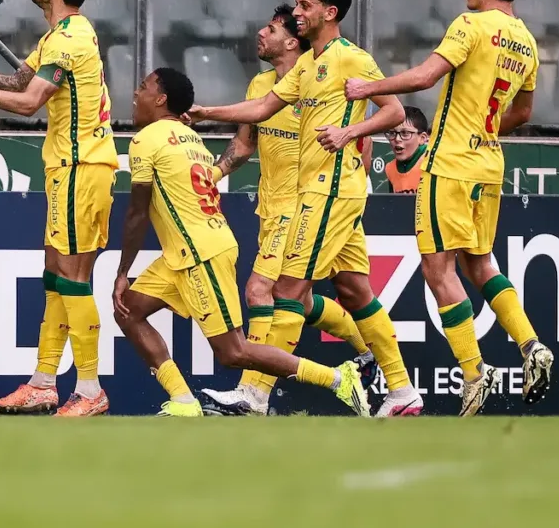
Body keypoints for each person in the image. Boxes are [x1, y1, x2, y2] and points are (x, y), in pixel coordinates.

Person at [189, 0, 423, 418]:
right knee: (354, 291)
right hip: (330, 193)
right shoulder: (309, 65)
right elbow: (263, 107)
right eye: (296, 5)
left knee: (287, 291)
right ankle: (401, 392)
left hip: (329, 191)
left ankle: (255, 394)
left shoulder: (350, 58)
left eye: (305, 5)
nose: (297, 12)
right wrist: (206, 111)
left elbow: (394, 111)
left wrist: (349, 131)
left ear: (329, 12)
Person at [345, 0, 554, 415]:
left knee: (437, 271)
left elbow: (425, 76)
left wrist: (367, 88)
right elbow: (523, 112)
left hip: (451, 165)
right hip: (490, 164)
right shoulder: (527, 41)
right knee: (480, 265)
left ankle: (475, 373)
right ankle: (531, 345)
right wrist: (483, 126)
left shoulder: (471, 25)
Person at [113, 68, 370, 418]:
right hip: (186, 252)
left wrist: (122, 271)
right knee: (128, 310)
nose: (135, 94)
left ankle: (338, 378)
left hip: (200, 254)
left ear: (160, 100)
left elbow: (137, 213)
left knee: (233, 352)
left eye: (143, 88)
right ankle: (184, 402)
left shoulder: (146, 139)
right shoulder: (190, 137)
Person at [0, 0, 116, 417]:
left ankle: (89, 389)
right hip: (68, 168)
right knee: (56, 274)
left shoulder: (70, 38)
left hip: (82, 167)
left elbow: (27, 104)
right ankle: (44, 382)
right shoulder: (59, 35)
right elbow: (20, 80)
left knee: (74, 277)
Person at [383, 105, 430, 194]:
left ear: (422, 138)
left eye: (405, 133)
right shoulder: (390, 169)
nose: (397, 139)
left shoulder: (432, 163)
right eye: (392, 133)